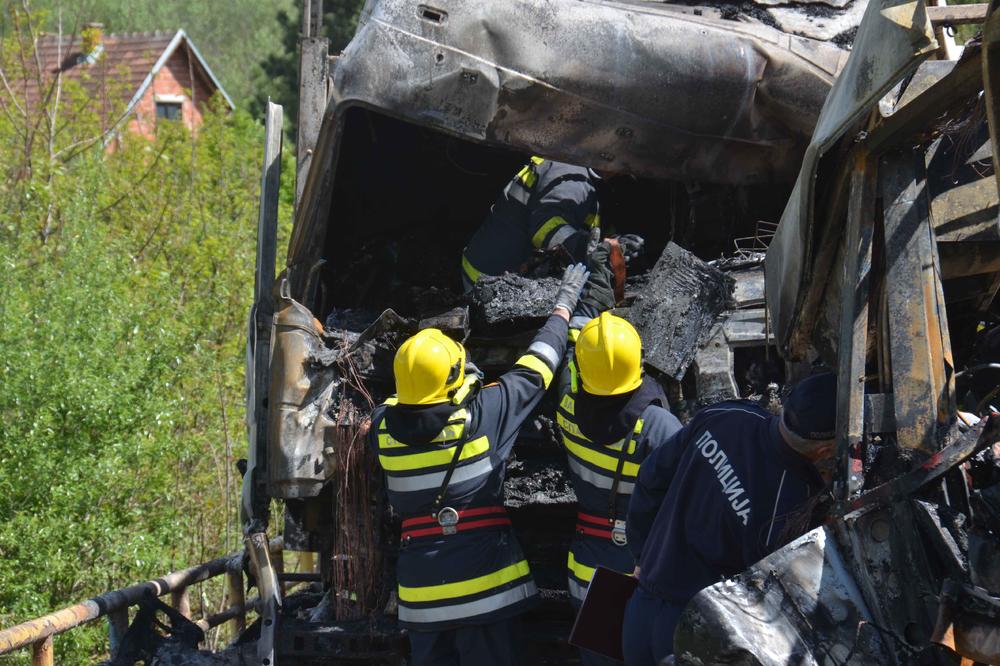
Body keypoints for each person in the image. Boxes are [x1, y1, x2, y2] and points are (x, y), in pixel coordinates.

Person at [368, 263, 590, 666]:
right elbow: (538, 367)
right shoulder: (483, 417)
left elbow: (391, 410)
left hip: (422, 603)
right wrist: (563, 307)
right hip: (487, 596)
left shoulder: (382, 428)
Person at [622, 373, 837, 665]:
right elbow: (767, 605)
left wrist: (642, 555)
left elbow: (649, 478)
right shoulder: (792, 503)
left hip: (641, 610)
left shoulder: (727, 414)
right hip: (690, 636)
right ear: (825, 450)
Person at [556, 309, 682, 666]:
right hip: (640, 570)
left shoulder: (565, 410)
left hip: (586, 571)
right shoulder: (658, 426)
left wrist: (574, 334)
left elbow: (571, 375)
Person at [461, 157, 600, 291]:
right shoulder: (574, 179)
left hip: (484, 266)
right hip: (493, 279)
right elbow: (545, 227)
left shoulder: (563, 162)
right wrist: (586, 251)